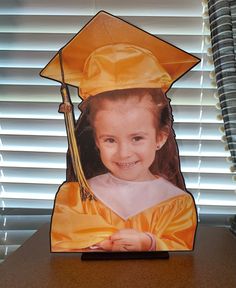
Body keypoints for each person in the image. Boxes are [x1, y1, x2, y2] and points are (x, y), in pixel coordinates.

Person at [40, 11, 199, 252]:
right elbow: (65, 253)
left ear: (160, 137)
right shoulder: (76, 198)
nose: (124, 153)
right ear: (96, 141)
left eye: (137, 138)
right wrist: (98, 245)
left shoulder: (177, 203)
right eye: (110, 139)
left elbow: (182, 254)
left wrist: (151, 243)